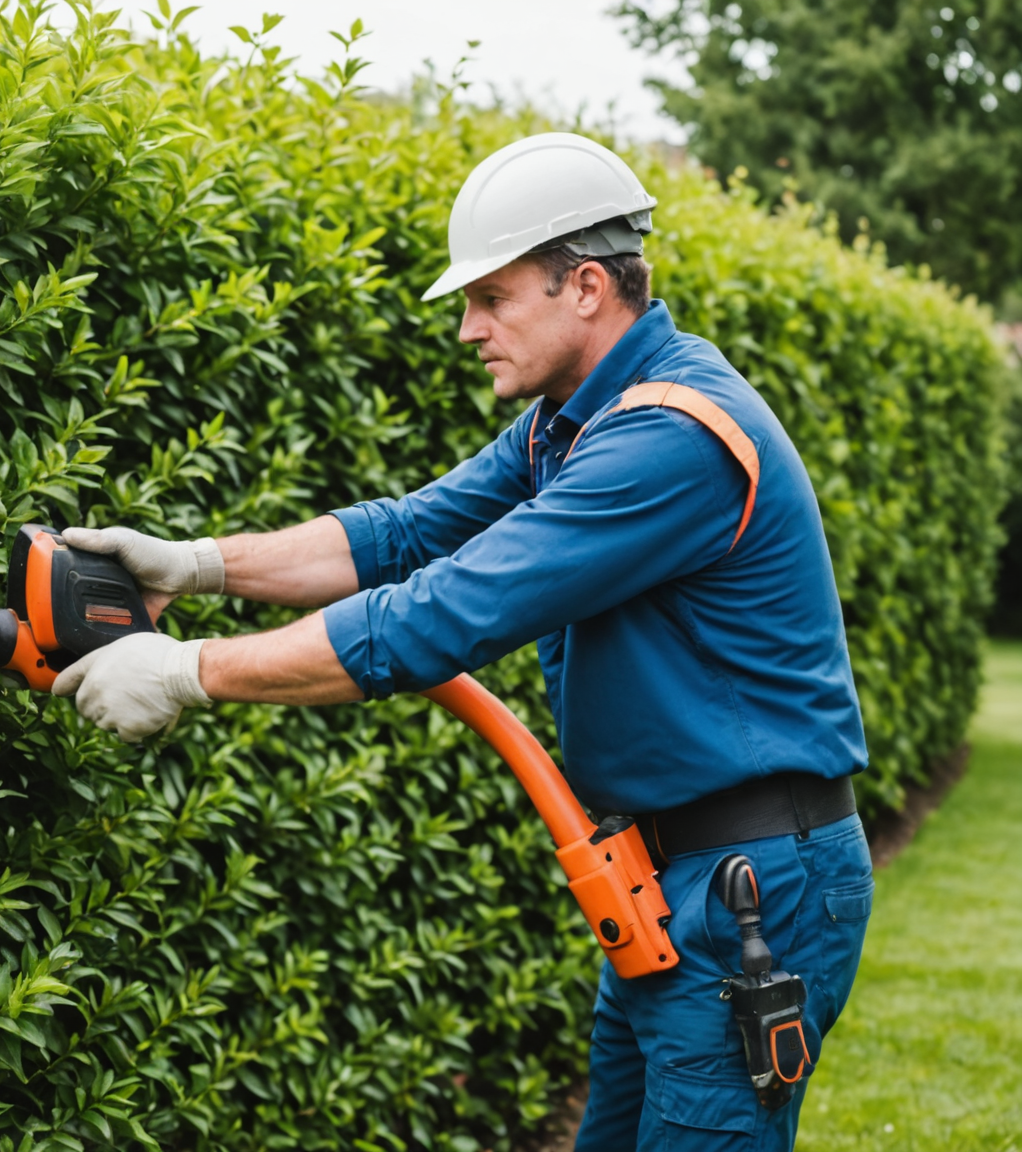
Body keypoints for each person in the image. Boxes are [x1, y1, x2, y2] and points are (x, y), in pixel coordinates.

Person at [53, 133, 873, 1150]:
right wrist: (197, 562)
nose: (468, 330)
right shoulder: (570, 422)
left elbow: (441, 615)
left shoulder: (668, 439)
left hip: (750, 888)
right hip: (668, 879)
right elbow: (400, 535)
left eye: (490, 298)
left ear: (583, 286)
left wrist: (187, 672)